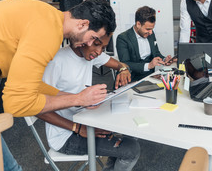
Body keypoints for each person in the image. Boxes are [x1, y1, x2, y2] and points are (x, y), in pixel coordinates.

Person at [0, 0, 115, 170]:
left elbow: (34, 85)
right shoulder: (48, 32)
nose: (89, 44)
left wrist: (77, 97)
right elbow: (16, 104)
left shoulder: (45, 15)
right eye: (93, 38)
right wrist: (78, 100)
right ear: (82, 24)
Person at [37, 33, 140, 171]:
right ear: (86, 38)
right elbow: (37, 107)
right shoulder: (57, 61)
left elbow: (119, 64)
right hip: (66, 135)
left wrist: (123, 69)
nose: (99, 52)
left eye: (103, 47)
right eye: (97, 45)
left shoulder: (91, 53)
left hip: (86, 121)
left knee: (131, 130)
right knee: (131, 150)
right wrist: (78, 128)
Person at [116, 6, 174, 81]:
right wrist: (149, 65)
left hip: (150, 77)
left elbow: (156, 53)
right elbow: (125, 64)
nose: (151, 32)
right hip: (131, 78)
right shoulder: (123, 38)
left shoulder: (151, 34)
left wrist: (164, 59)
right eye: (148, 29)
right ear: (138, 24)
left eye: (152, 29)